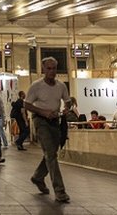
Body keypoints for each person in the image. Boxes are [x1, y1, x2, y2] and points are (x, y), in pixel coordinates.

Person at [25, 56, 72, 203]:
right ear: (44, 69)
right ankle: (60, 191)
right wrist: (43, 112)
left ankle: (38, 177)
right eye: (49, 68)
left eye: (54, 68)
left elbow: (68, 100)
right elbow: (27, 104)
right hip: (41, 121)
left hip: (55, 121)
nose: (52, 71)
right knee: (51, 155)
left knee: (51, 153)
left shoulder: (61, 86)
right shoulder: (36, 86)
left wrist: (66, 108)